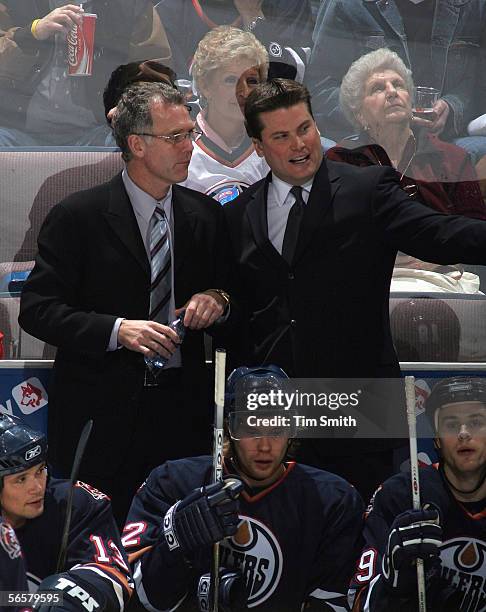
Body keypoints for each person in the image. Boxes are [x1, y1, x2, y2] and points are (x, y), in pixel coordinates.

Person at [221, 78, 486, 496]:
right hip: (275, 412)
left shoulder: (368, 190)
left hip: (359, 403)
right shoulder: (238, 214)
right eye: (281, 136)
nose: (299, 145)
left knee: (369, 537)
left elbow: (441, 232)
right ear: (257, 145)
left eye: (305, 128)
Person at [18, 82, 230, 526]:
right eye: (175, 137)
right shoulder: (78, 216)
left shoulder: (205, 216)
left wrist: (217, 299)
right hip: (100, 414)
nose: (189, 146)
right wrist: (118, 331)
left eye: (190, 133)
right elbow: (38, 308)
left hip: (182, 413)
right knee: (94, 542)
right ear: (136, 144)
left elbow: (234, 294)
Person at [121, 366, 364, 611]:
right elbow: (139, 596)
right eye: (251, 429)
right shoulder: (171, 483)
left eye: (277, 430)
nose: (265, 446)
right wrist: (176, 543)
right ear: (229, 428)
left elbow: (333, 602)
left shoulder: (332, 501)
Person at [349, 376, 486, 611]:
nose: (464, 433)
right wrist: (392, 582)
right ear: (436, 440)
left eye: (476, 422)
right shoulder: (400, 496)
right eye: (451, 425)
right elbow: (358, 602)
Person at [306, 0, 486, 163]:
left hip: (442, 139)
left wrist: (452, 106)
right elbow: (320, 89)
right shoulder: (348, 5)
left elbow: (477, 84)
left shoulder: (473, 6)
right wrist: (372, 114)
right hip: (371, 139)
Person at [327, 48, 486, 220]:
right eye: (378, 88)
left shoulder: (452, 158)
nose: (392, 92)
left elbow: (475, 231)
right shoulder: (341, 159)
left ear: (410, 100)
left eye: (398, 85)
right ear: (359, 114)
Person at [0, 413, 132, 611]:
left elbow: (113, 577)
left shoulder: (75, 503)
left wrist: (68, 596)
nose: (37, 487)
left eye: (40, 470)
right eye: (21, 479)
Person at [0, 1, 171, 146]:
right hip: (17, 130)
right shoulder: (13, 4)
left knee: (135, 142)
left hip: (98, 131)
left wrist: (129, 105)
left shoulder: (129, 5)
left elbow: (153, 70)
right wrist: (32, 33)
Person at [180, 26, 270, 204]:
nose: (243, 92)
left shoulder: (273, 142)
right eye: (230, 80)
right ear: (205, 86)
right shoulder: (180, 146)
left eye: (252, 81)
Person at [155, 0, 314, 83]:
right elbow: (180, 91)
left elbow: (292, 79)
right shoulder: (170, 12)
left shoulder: (287, 3)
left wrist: (252, 15)